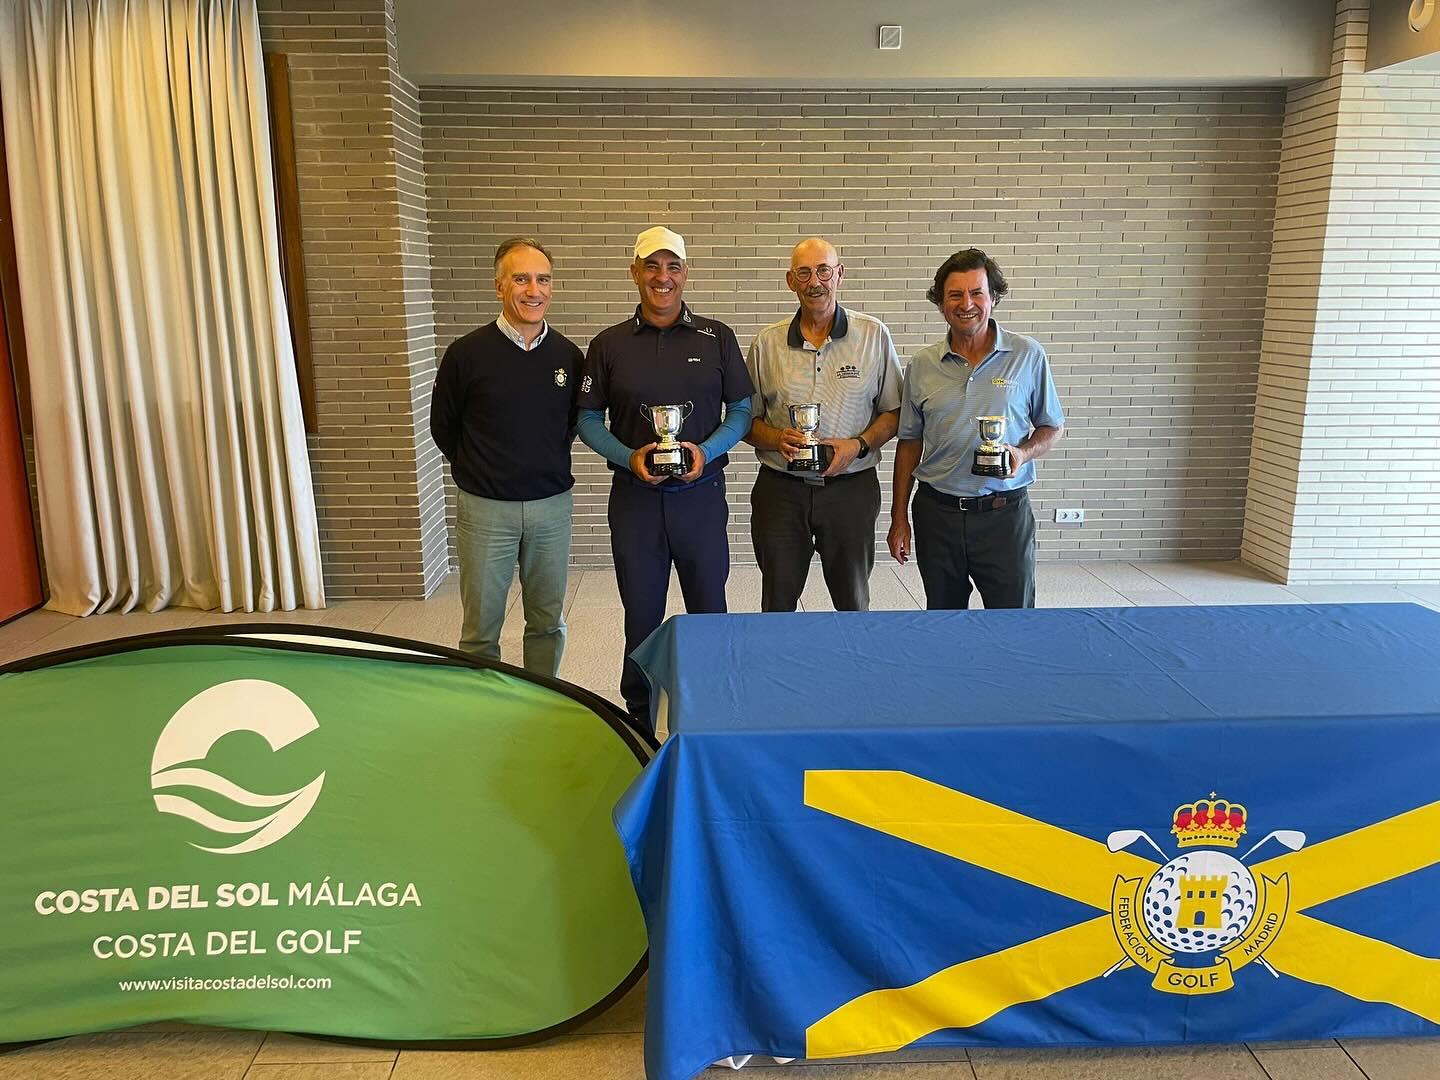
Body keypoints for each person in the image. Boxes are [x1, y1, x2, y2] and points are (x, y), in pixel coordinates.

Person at [576, 226, 754, 721]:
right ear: (634, 273)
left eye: (672, 266)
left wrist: (707, 449)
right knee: (642, 614)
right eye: (651, 266)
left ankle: (715, 705)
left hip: (701, 495)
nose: (662, 276)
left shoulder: (717, 336)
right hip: (636, 501)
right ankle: (639, 710)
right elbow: (587, 419)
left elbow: (741, 409)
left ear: (686, 274)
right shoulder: (609, 343)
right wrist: (626, 456)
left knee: (709, 608)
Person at [429, 237, 581, 675]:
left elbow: (571, 425)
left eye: (543, 279)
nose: (534, 290)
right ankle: (486, 706)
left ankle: (543, 698)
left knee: (547, 622)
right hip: (485, 509)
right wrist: (484, 468)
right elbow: (445, 428)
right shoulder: (466, 354)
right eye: (521, 279)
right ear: (499, 287)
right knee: (480, 627)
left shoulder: (568, 357)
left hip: (551, 508)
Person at [888, 248, 1065, 609]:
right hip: (937, 516)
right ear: (941, 303)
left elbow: (1051, 426)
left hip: (1004, 515)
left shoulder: (1028, 355)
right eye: (955, 295)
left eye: (976, 293)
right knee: (944, 618)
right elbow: (908, 443)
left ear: (994, 297)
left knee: (1012, 620)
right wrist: (898, 518)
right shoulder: (922, 365)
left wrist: (1022, 452)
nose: (966, 303)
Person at [743, 237, 901, 611]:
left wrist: (858, 445)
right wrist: (777, 437)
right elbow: (746, 422)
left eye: (824, 270)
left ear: (839, 274)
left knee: (852, 601)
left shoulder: (874, 336)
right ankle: (780, 669)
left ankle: (851, 668)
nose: (815, 281)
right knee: (778, 602)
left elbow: (893, 413)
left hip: (851, 490)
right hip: (781, 492)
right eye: (804, 272)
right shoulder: (766, 344)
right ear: (790, 281)